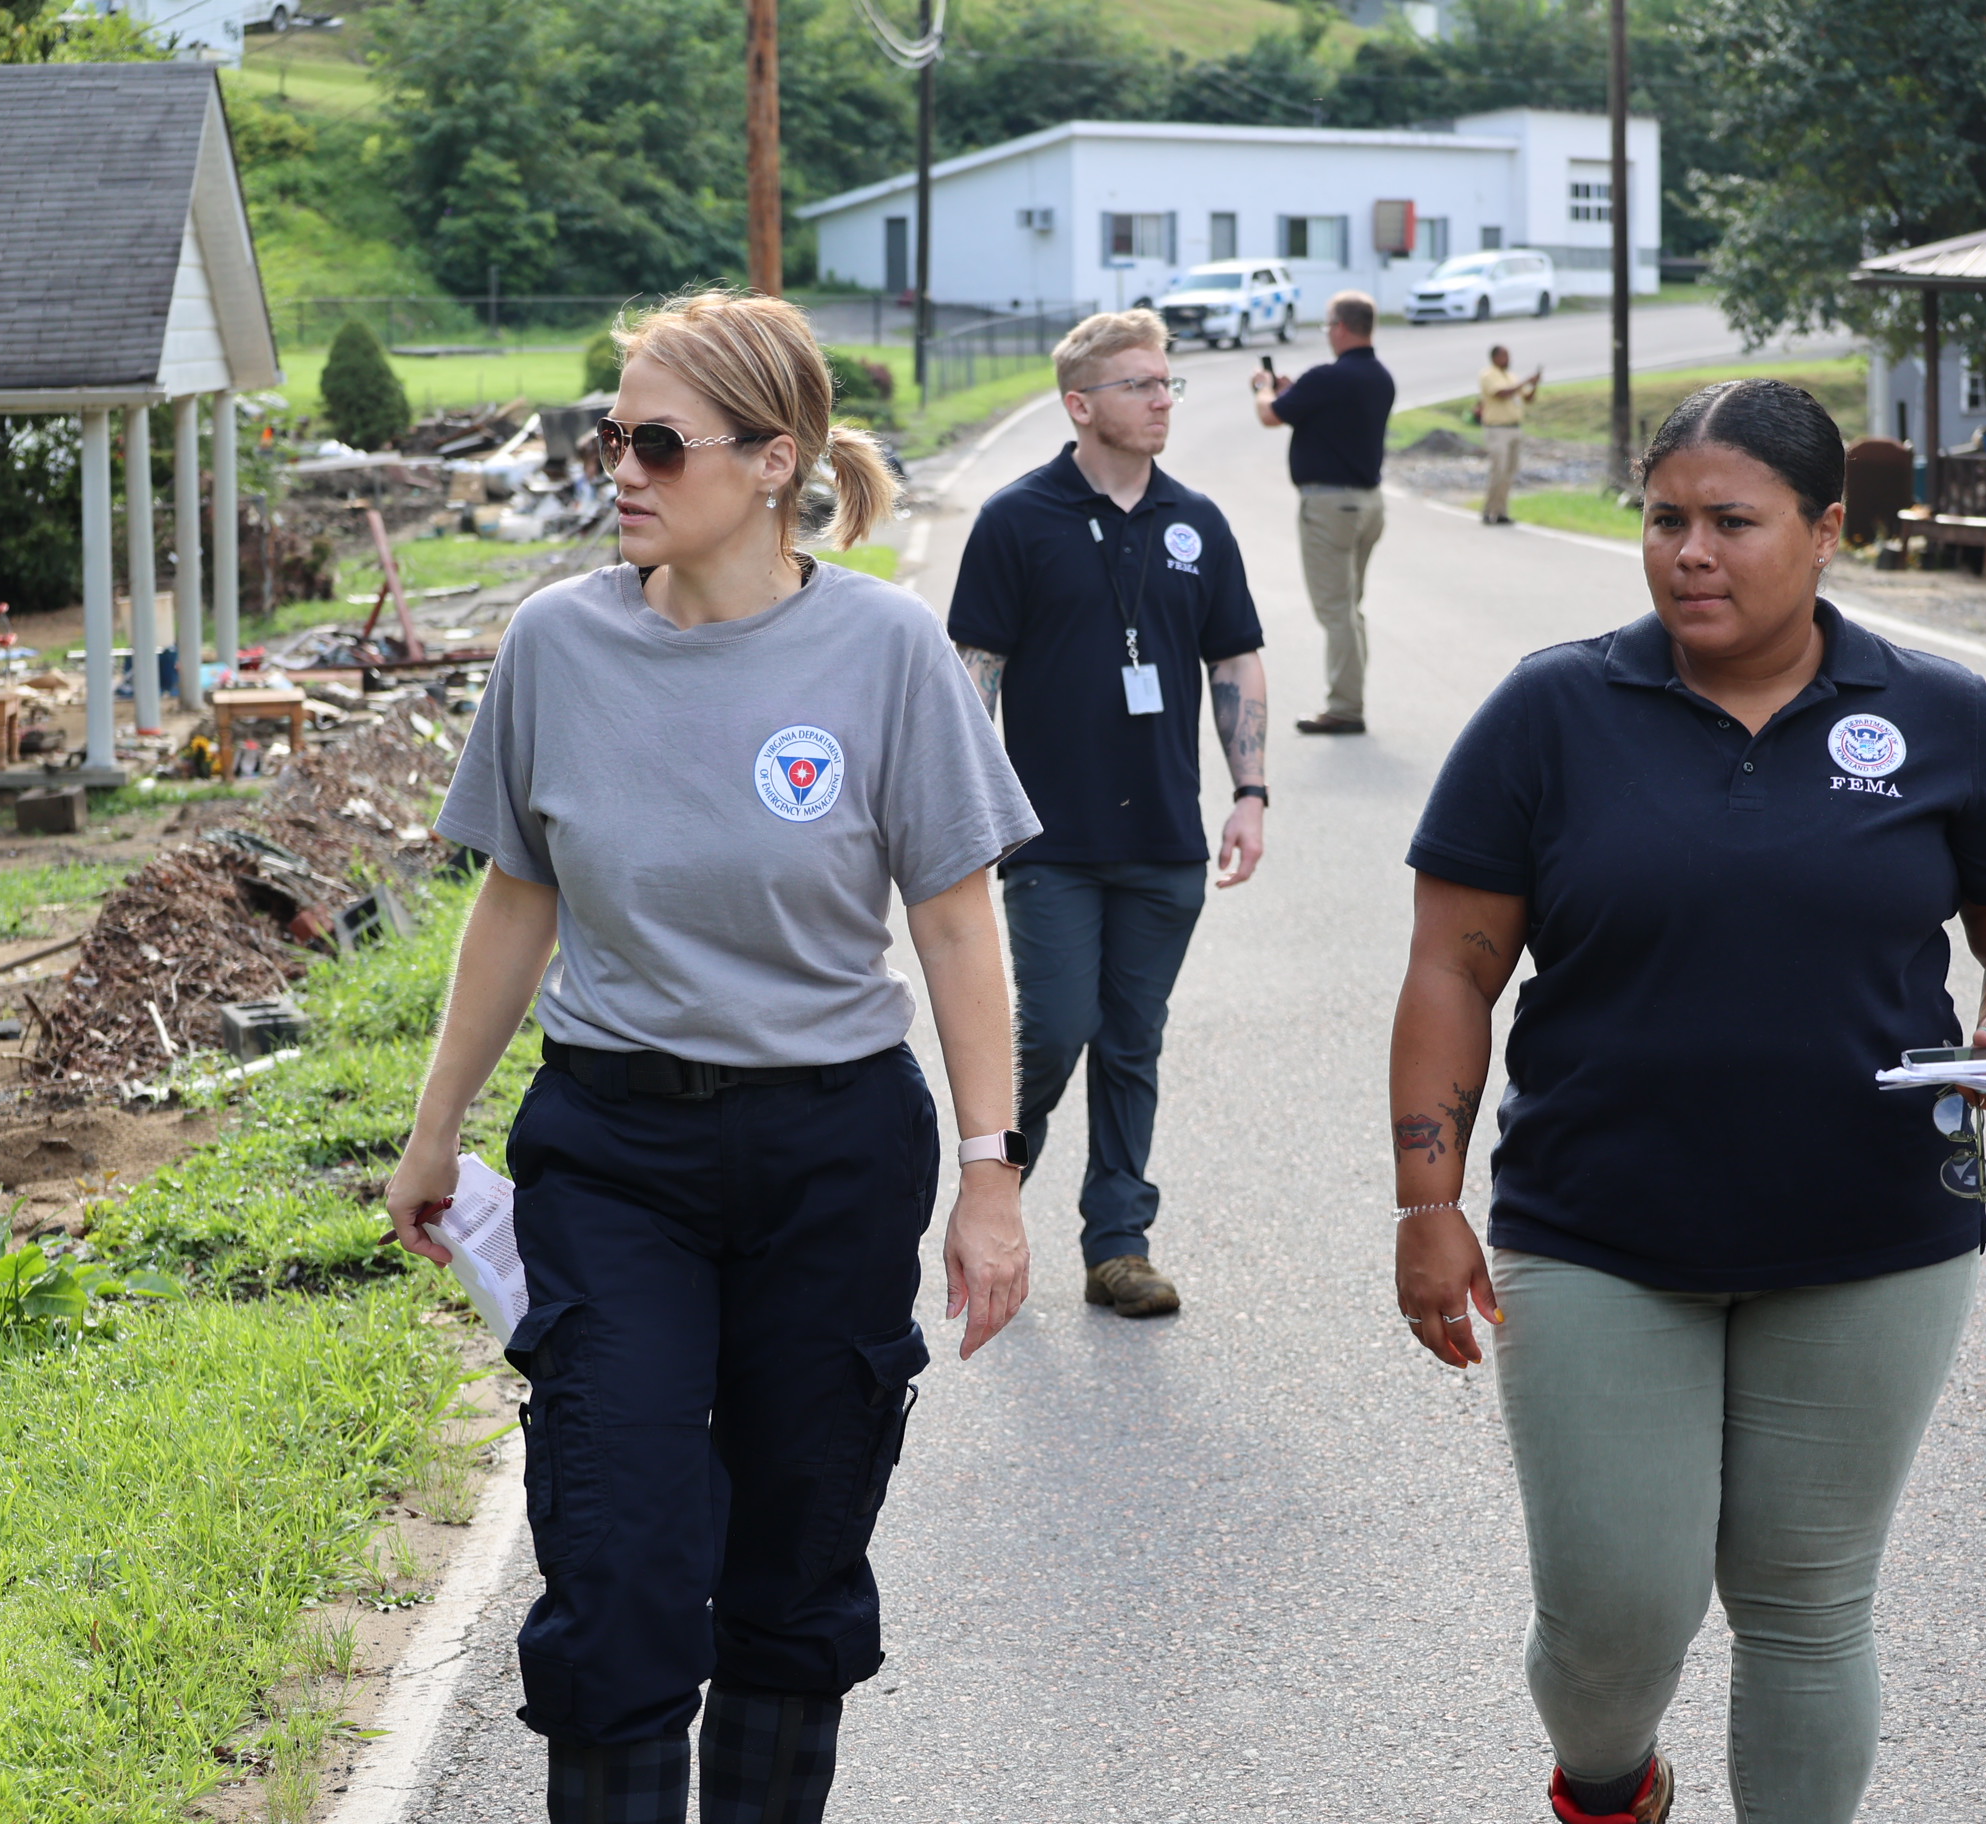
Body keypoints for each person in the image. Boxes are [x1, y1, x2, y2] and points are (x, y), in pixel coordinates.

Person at [1386, 378, 1986, 1824]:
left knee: (1808, 1602)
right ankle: (1607, 1785)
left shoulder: (1944, 716)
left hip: (1874, 1228)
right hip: (1597, 1230)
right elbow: (1454, 968)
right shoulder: (1553, 712)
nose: (1688, 553)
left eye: (1732, 522)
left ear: (1828, 531)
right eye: (1664, 521)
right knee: (1610, 1621)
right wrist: (1426, 1198)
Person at [386, 290, 1043, 1824]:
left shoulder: (884, 650)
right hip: (616, 1152)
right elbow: (516, 900)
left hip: (832, 1153)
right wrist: (435, 1130)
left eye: (657, 443)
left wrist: (990, 1175)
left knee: (794, 1558)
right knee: (616, 1555)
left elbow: (955, 927)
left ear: (774, 460)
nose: (618, 467)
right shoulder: (557, 644)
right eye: (607, 434)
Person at [949, 308, 1268, 1320]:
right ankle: (991, 1189)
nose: (1164, 399)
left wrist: (1251, 793)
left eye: (1168, 383)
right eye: (1141, 385)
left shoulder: (1196, 524)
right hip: (1050, 840)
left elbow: (1235, 662)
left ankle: (1117, 1246)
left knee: (1132, 1039)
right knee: (1056, 1028)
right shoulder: (1018, 519)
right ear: (1082, 405)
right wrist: (960, 810)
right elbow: (974, 674)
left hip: (1166, 836)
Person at [1250, 289, 1393, 736]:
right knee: (1351, 607)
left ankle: (1346, 706)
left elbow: (1271, 415)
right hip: (1369, 504)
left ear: (1342, 327)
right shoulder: (1380, 377)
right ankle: (1351, 695)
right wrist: (1297, 394)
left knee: (1335, 610)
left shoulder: (1327, 378)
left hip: (1330, 505)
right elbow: (1326, 415)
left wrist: (1264, 389)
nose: (1327, 332)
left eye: (1328, 324)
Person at [1478, 343, 1541, 524]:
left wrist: (1534, 385)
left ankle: (1501, 512)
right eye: (1504, 356)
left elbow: (1527, 398)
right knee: (1498, 471)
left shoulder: (1511, 376)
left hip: (1515, 428)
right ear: (1495, 357)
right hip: (1497, 429)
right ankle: (1488, 511)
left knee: (1510, 472)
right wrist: (1526, 381)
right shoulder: (1488, 375)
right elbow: (1502, 393)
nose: (1508, 359)